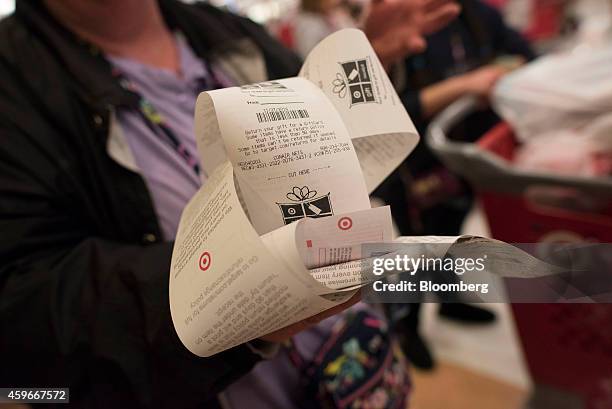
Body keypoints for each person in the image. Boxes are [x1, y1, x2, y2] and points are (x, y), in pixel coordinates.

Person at [0, 0, 459, 407]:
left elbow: (319, 139)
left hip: (354, 362)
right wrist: (230, 296)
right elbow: (25, 314)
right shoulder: (17, 86)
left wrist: (357, 75)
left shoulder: (223, 33)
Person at [376, 0, 535, 370]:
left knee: (453, 236)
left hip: (462, 158)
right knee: (414, 252)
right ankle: (407, 329)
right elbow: (394, 111)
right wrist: (467, 85)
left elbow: (524, 54)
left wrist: (499, 72)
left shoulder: (479, 16)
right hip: (410, 168)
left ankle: (449, 301)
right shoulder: (400, 22)